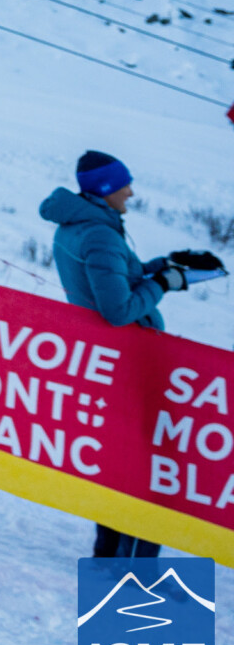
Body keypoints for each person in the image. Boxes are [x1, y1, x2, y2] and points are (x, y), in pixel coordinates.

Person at [42, 152, 222, 557]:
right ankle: (136, 575)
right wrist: (164, 281)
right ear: (106, 189)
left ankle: (109, 559)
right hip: (128, 362)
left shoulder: (79, 224)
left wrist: (167, 265)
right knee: (150, 469)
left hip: (105, 359)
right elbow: (118, 310)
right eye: (125, 185)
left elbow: (118, 276)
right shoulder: (100, 234)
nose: (132, 192)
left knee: (120, 465)